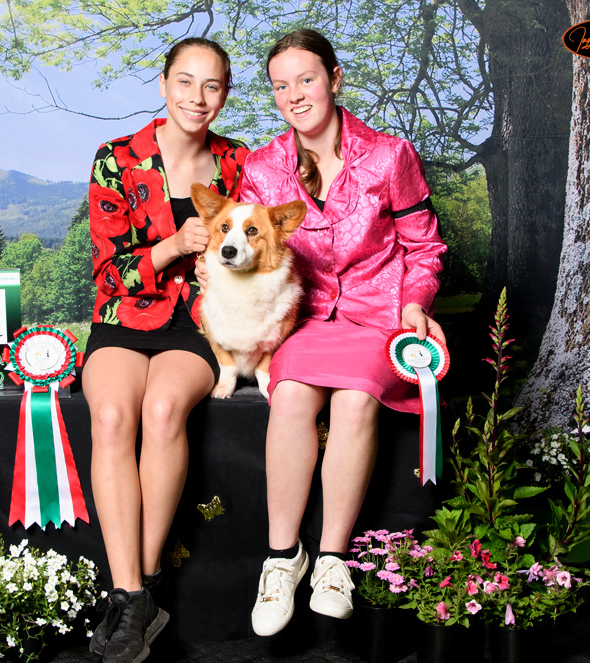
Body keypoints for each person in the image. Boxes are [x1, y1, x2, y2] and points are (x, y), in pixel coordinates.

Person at [233, 28, 447, 636]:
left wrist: (415, 304)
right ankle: (282, 560)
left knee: (355, 401)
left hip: (380, 318)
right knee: (293, 395)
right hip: (307, 317)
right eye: (281, 86)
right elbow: (257, 253)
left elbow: (424, 247)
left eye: (305, 79)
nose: (294, 95)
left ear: (333, 78)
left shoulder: (389, 155)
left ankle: (331, 560)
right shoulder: (262, 167)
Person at [82, 37, 250, 663]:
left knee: (161, 411)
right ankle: (133, 594)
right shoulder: (116, 158)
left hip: (197, 323)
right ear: (163, 85)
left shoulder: (240, 162)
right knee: (112, 416)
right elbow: (110, 274)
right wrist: (178, 245)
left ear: (225, 95)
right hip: (123, 316)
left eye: (212, 87)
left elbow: (265, 249)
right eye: (185, 82)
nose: (197, 98)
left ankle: (135, 594)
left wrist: (228, 271)